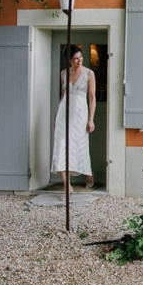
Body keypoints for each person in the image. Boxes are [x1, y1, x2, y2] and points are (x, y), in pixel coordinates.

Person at [51, 46, 96, 201]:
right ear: (69, 60)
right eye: (76, 58)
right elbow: (63, 96)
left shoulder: (89, 73)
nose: (79, 60)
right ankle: (67, 186)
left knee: (80, 146)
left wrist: (91, 119)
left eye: (81, 57)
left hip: (79, 115)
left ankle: (89, 175)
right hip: (64, 114)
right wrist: (56, 116)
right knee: (60, 147)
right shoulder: (63, 73)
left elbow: (92, 98)